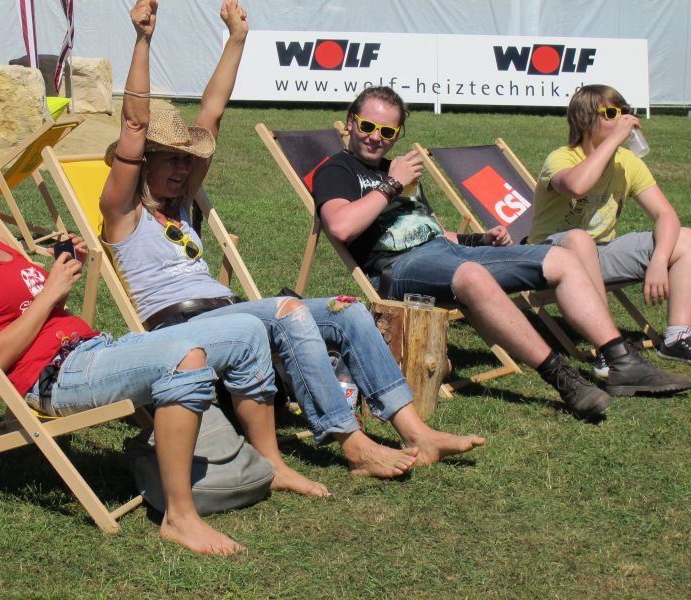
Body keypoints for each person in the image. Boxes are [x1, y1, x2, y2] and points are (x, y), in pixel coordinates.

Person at [100, 0, 485, 478]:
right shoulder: (123, 213)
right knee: (289, 310)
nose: (183, 168)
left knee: (349, 312)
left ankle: (417, 433)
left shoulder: (180, 202)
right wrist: (143, 40)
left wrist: (237, 39)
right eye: (170, 159)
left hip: (227, 314)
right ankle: (352, 444)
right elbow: (134, 125)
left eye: (186, 159)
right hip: (178, 328)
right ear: (144, 163)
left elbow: (212, 115)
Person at [0, 139, 329, 556]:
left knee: (246, 332)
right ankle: (180, 517)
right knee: (184, 358)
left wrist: (61, 276)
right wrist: (50, 293)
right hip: (56, 376)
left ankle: (272, 464)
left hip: (89, 349)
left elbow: (31, 311)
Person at [312, 86, 691, 417]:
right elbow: (341, 226)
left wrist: (478, 241)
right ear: (351, 123)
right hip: (396, 269)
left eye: (387, 131)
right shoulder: (338, 170)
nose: (375, 137)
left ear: (397, 134)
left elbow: (429, 230)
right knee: (472, 276)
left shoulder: (397, 170)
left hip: (444, 254)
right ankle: (562, 377)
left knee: (563, 258)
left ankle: (621, 361)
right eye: (367, 126)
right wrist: (392, 183)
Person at [528, 83, 691, 372]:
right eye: (612, 113)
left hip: (601, 253)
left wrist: (659, 260)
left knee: (685, 239)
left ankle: (677, 338)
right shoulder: (562, 158)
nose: (623, 119)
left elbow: (666, 214)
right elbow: (577, 186)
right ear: (585, 121)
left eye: (625, 111)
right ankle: (610, 348)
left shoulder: (626, 162)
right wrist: (614, 140)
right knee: (580, 239)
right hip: (548, 257)